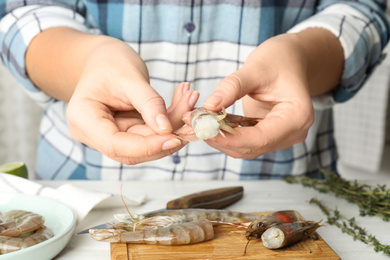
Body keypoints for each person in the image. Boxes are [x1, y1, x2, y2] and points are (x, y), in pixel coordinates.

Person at [0, 1, 388, 180]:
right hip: (81, 182)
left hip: (286, 187)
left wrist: (301, 57)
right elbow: (19, 13)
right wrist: (90, 61)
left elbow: (365, 13)